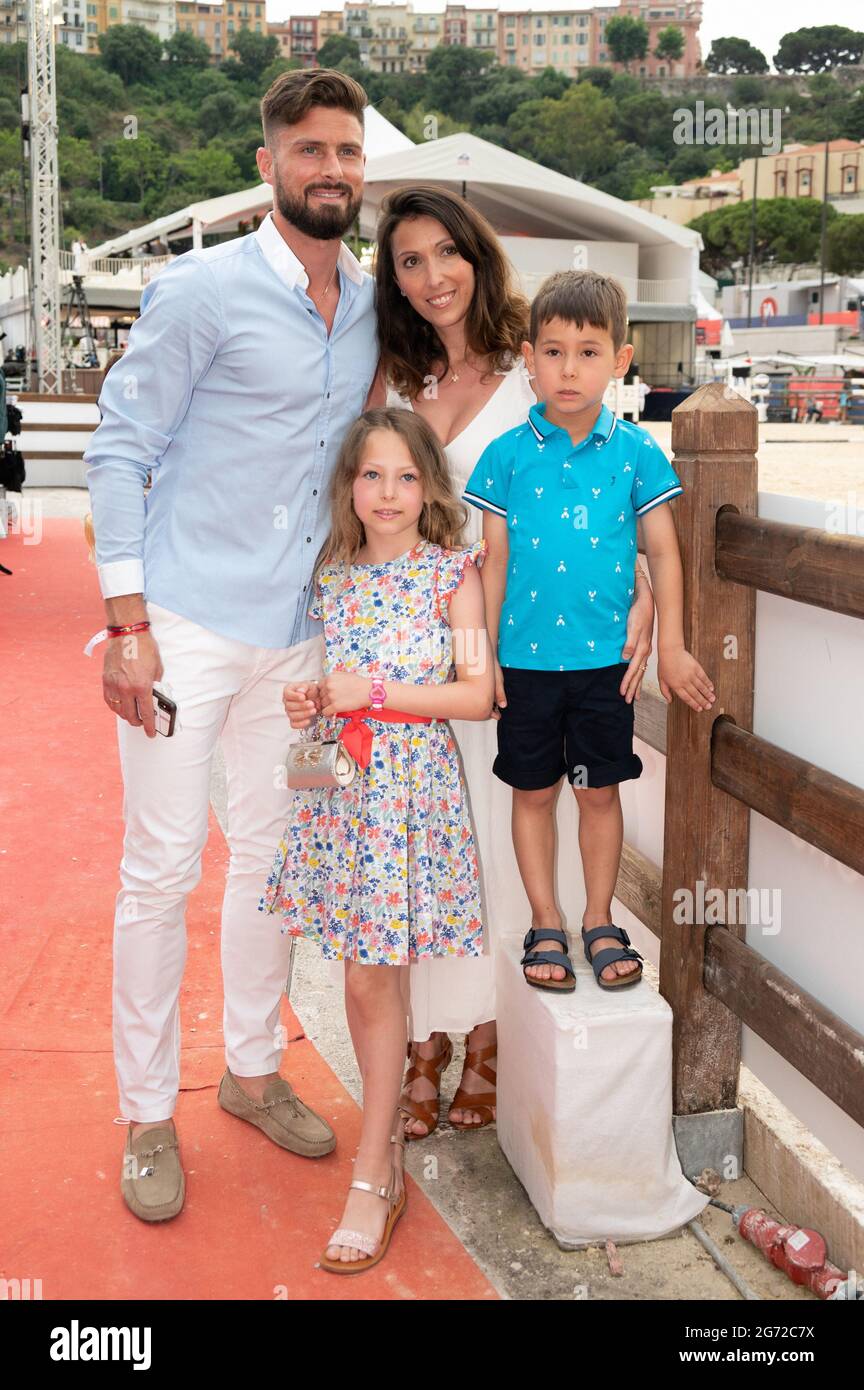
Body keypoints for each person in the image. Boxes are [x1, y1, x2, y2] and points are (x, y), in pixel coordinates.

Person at [83, 68, 378, 1222]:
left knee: (269, 861)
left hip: (298, 639)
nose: (333, 171)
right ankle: (148, 1114)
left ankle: (252, 1071)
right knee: (160, 870)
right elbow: (120, 446)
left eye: (348, 152)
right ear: (269, 164)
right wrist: (127, 625)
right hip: (187, 626)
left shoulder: (365, 306)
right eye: (310, 151)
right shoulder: (201, 290)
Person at [366, 186, 657, 1135]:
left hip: (507, 649)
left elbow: (628, 498)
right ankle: (424, 1043)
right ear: (395, 279)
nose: (433, 274)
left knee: (497, 830)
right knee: (419, 844)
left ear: (478, 256)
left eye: (447, 251)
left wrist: (650, 594)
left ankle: (487, 1033)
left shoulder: (542, 362)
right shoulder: (389, 380)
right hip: (412, 647)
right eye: (409, 260)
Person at [261, 407, 493, 1271]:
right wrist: (316, 699)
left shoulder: (451, 575)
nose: (387, 493)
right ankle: (385, 1141)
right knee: (359, 980)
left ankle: (373, 1166)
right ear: (348, 487)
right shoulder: (333, 576)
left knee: (370, 975)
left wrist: (376, 694)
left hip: (409, 802)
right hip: (341, 796)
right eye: (371, 476)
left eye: (404, 476)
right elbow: (336, 683)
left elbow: (477, 693)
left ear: (429, 485)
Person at [465, 269, 716, 990]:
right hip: (526, 667)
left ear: (621, 361)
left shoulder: (636, 453)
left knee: (599, 793)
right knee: (533, 792)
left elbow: (663, 552)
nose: (568, 369)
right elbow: (494, 562)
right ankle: (547, 921)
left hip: (608, 664)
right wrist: (481, 660)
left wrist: (669, 643)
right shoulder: (506, 455)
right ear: (527, 356)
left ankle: (599, 918)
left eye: (587, 352)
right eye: (552, 352)